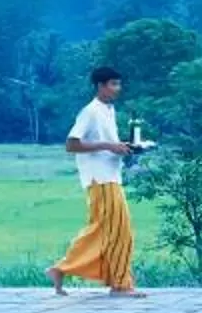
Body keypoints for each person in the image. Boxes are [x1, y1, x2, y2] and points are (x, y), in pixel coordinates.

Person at [48, 65, 144, 295]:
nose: (117, 89)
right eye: (113, 84)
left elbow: (107, 143)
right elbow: (71, 144)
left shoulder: (108, 110)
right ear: (100, 86)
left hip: (111, 176)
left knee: (105, 231)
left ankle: (63, 269)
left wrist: (123, 148)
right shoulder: (90, 111)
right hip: (99, 179)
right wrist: (108, 146)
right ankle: (120, 284)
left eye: (118, 84)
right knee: (119, 232)